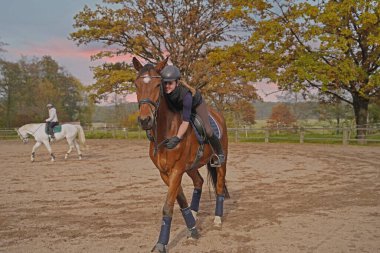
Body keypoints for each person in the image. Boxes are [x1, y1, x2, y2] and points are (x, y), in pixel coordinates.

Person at [161, 65, 225, 166]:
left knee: (208, 130)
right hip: (178, 107)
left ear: (177, 83)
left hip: (197, 106)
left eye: (170, 83)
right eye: (165, 83)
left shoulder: (186, 96)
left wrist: (177, 137)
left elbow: (185, 121)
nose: (167, 86)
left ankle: (220, 154)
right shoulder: (163, 91)